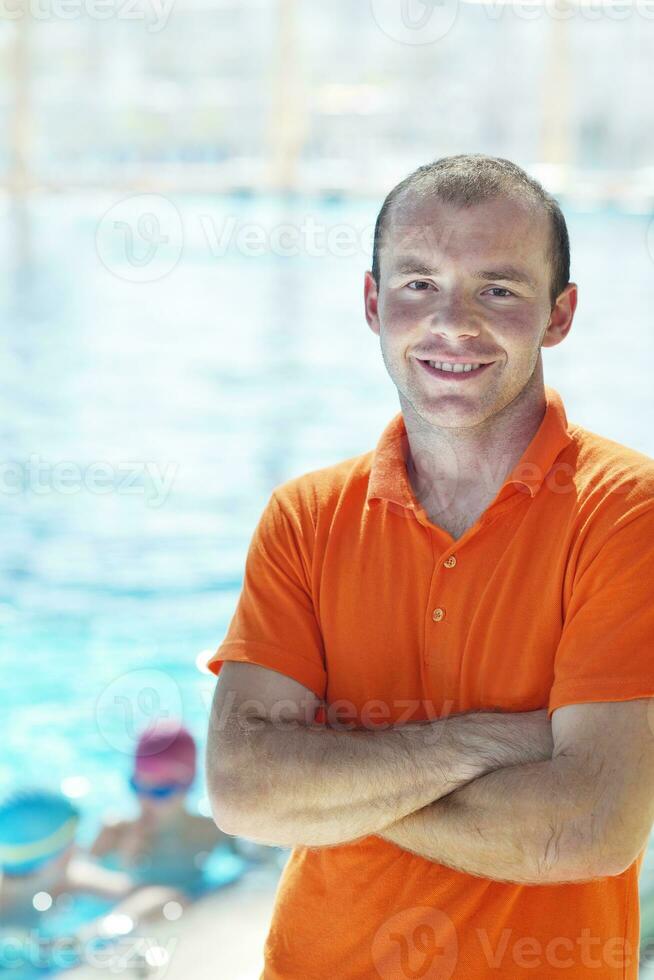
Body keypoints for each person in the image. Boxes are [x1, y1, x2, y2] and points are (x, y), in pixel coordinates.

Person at [204, 154, 654, 979]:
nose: (453, 323)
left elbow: (587, 827)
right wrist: (489, 742)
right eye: (418, 284)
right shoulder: (305, 517)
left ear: (560, 315)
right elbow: (241, 791)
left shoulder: (627, 511)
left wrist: (338, 779)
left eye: (499, 289)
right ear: (373, 304)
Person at [0, 788, 185, 976]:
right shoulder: (65, 877)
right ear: (56, 856)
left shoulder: (69, 878)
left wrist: (99, 932)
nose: (78, 847)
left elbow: (165, 896)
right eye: (72, 840)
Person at [89, 720, 279, 898]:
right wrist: (127, 864)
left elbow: (264, 868)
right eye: (137, 786)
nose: (145, 800)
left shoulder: (211, 831)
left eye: (160, 792)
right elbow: (76, 873)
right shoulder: (116, 831)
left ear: (187, 786)